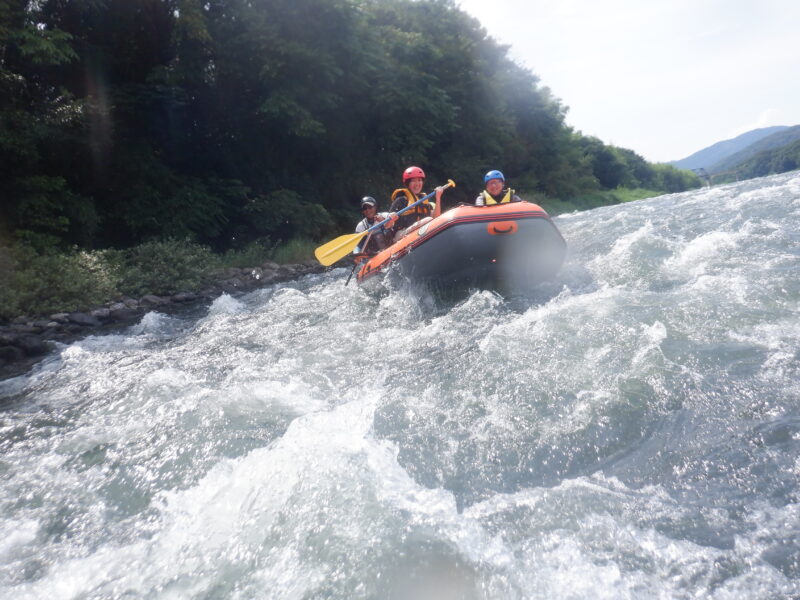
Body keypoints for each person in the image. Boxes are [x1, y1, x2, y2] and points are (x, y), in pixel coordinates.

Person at [388, 166, 445, 239]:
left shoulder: (424, 200)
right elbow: (387, 225)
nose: (417, 184)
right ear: (408, 183)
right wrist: (391, 218)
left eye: (419, 180)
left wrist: (438, 197)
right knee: (428, 220)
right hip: (401, 234)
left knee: (431, 220)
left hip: (420, 232)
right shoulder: (401, 200)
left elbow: (436, 219)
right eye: (413, 181)